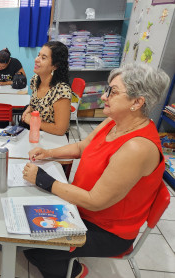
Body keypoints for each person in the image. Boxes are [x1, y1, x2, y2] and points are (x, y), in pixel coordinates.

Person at [22, 63, 170, 278]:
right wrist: (48, 152)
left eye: (113, 92)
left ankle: (75, 271)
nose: (103, 97)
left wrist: (44, 181)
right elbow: (82, 147)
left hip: (108, 231)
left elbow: (95, 200)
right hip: (83, 208)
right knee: (31, 234)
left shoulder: (137, 147)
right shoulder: (113, 122)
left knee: (36, 251)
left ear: (137, 102)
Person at [21, 41, 72, 135]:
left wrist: (32, 120)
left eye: (43, 58)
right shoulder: (35, 79)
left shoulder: (61, 91)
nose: (36, 59)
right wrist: (29, 108)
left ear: (55, 66)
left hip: (54, 140)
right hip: (37, 134)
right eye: (38, 55)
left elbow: (60, 130)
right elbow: (36, 104)